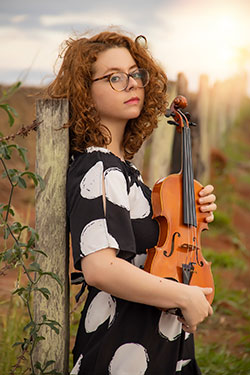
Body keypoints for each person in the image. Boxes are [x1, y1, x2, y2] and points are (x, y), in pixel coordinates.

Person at [48, 29, 217, 375]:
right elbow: (99, 267)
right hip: (123, 351)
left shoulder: (122, 170)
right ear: (84, 92)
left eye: (135, 74)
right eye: (114, 77)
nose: (131, 84)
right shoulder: (98, 167)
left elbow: (144, 253)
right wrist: (184, 296)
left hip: (149, 344)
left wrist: (187, 219)